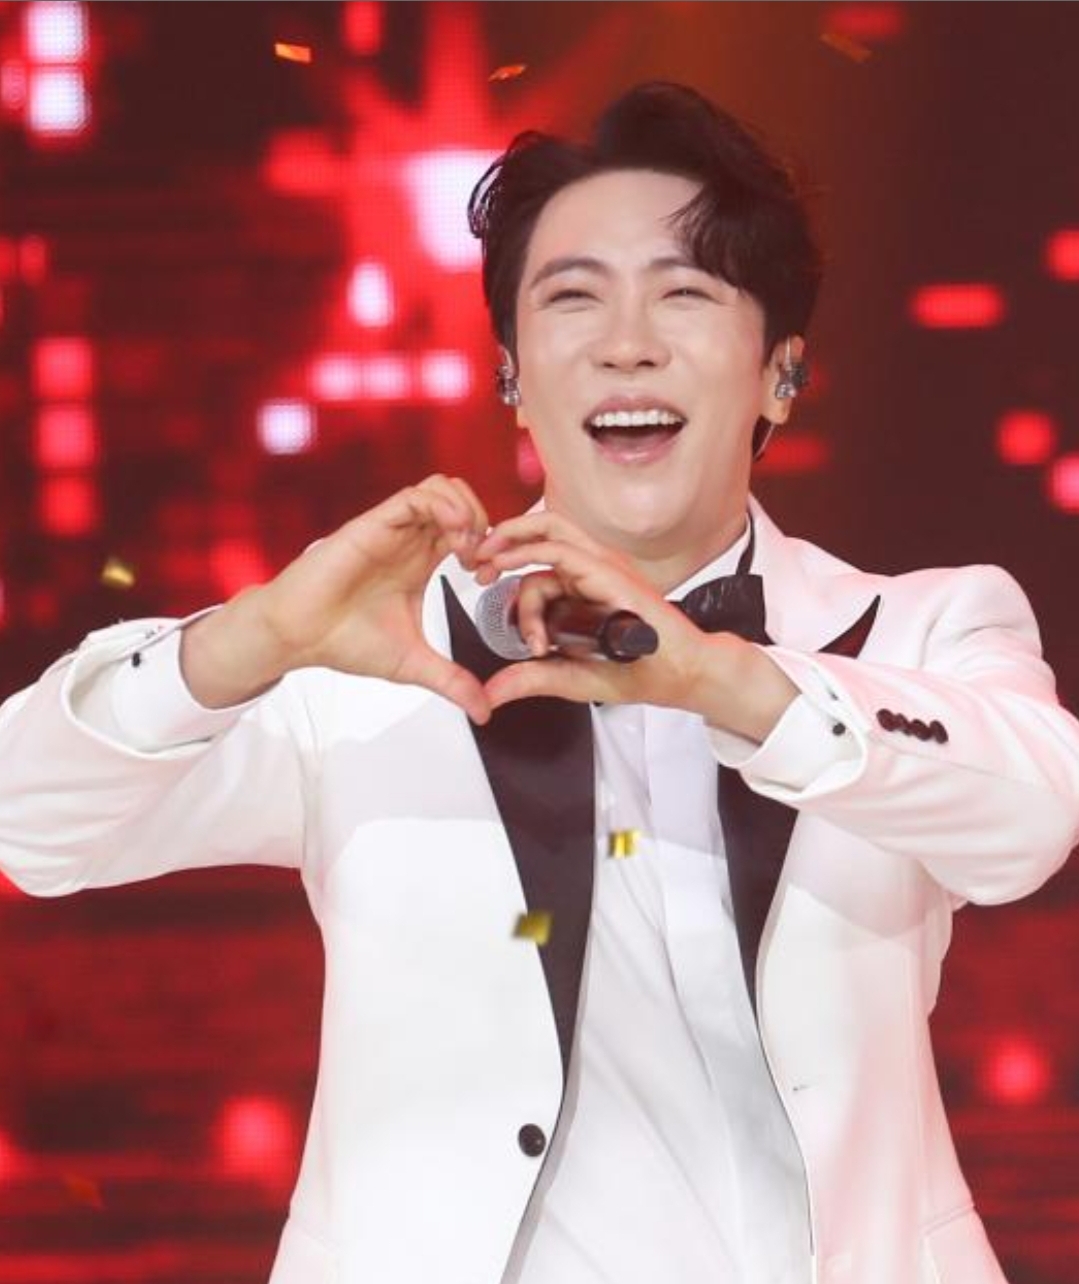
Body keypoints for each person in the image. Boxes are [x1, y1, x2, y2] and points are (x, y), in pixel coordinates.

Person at [1, 81, 1077, 1284]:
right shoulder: (365, 656)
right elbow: (28, 822)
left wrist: (722, 684)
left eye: (684, 292)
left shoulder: (917, 628)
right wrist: (251, 638)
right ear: (511, 377)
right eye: (573, 296)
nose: (626, 342)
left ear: (780, 374)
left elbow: (1034, 818)